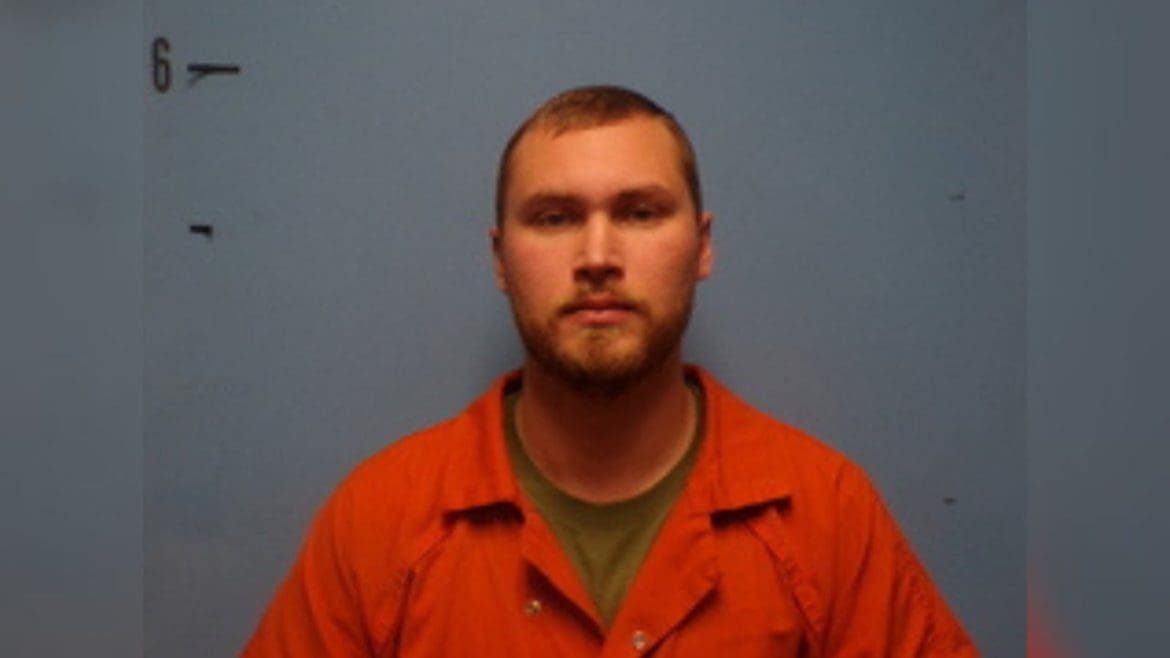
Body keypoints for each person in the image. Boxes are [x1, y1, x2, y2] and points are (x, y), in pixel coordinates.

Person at [242, 85, 979, 657]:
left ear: (702, 247)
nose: (597, 257)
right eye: (555, 218)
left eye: (640, 212)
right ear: (501, 260)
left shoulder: (825, 514)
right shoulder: (380, 520)